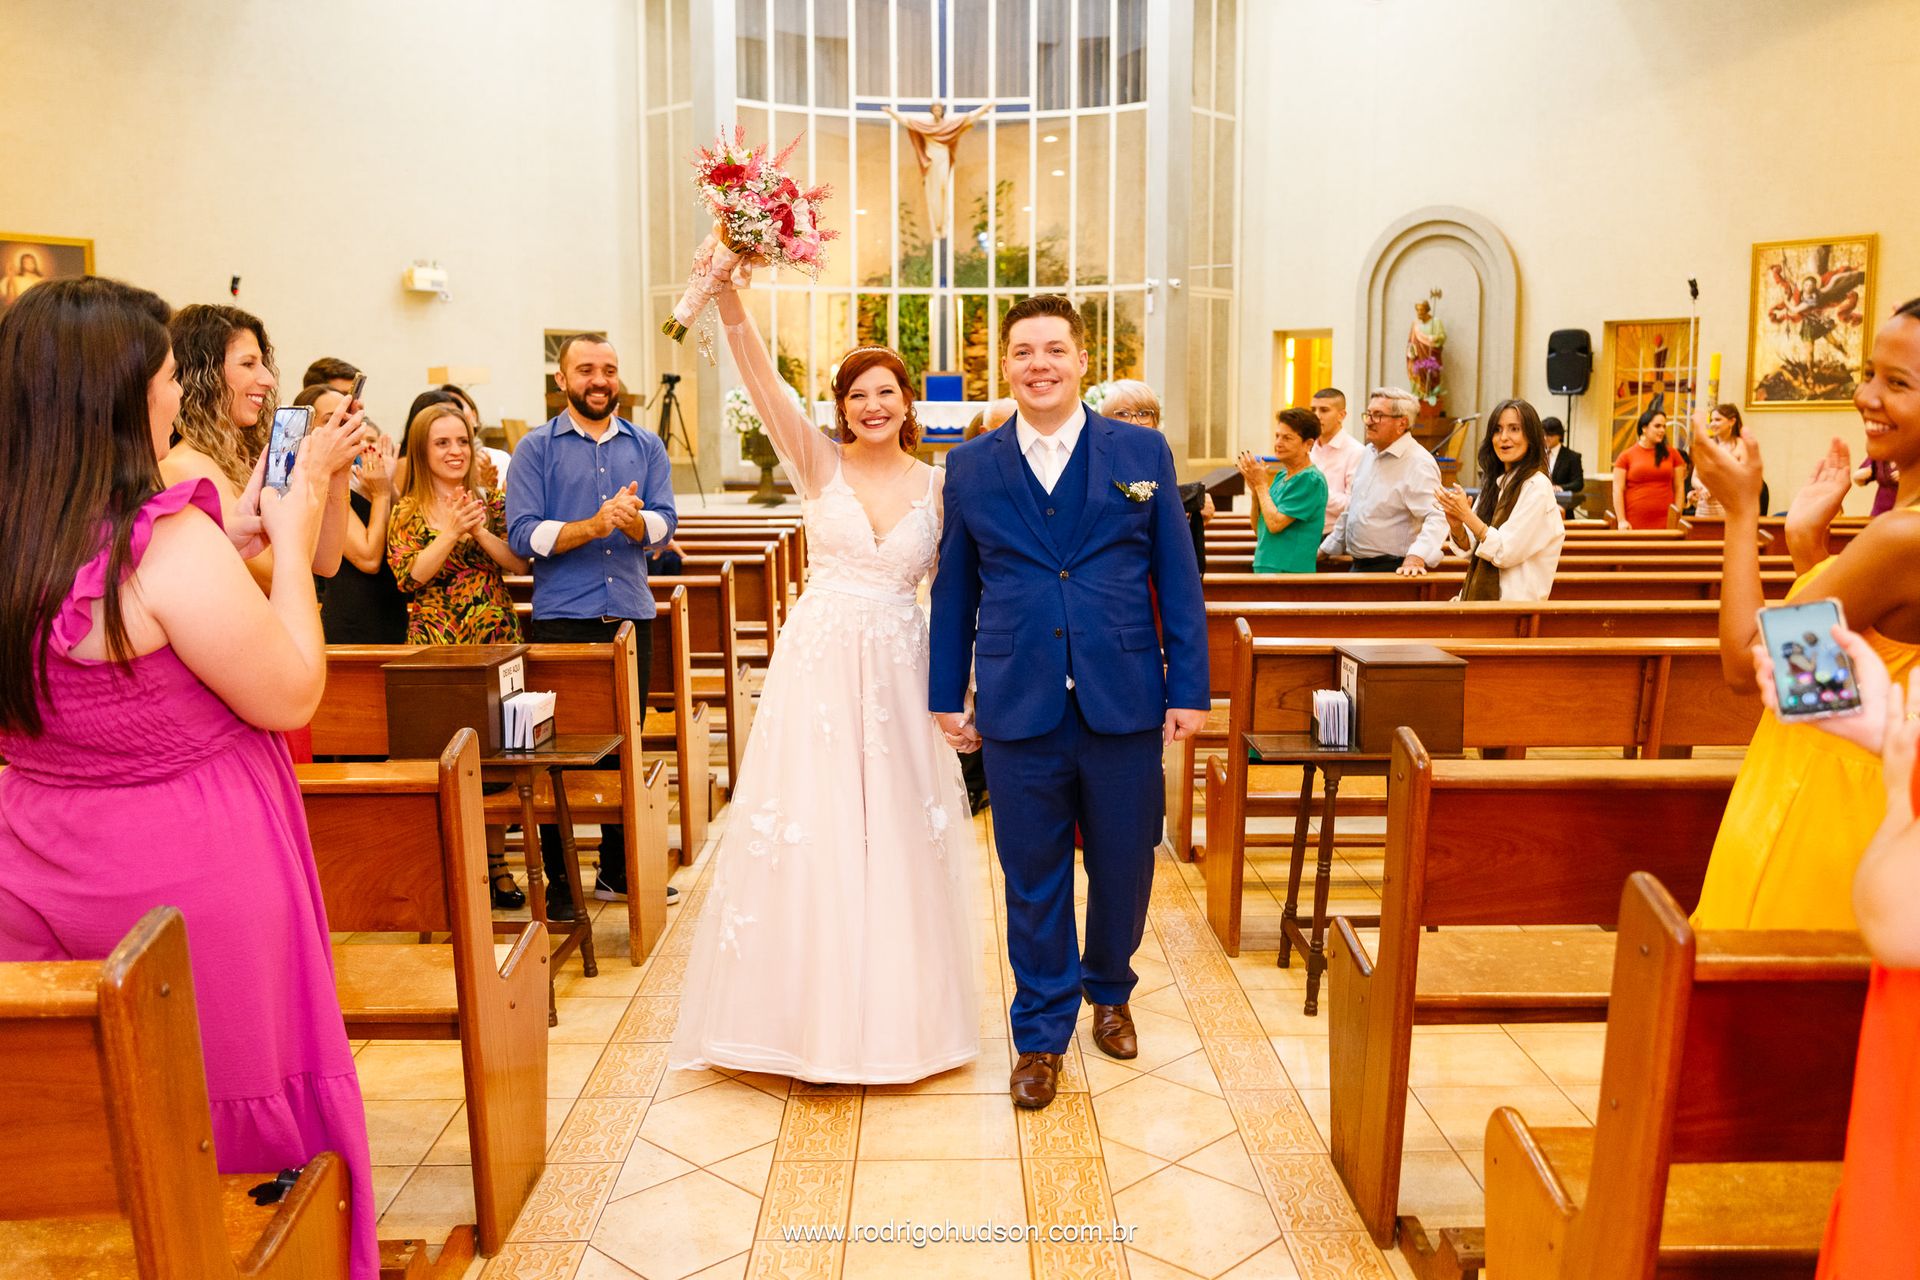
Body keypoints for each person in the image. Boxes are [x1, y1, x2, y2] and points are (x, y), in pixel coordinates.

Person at [0, 277, 377, 1276]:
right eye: (169, 380)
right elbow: (291, 690)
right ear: (123, 399)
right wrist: (292, 545)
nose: (178, 398)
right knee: (212, 1118)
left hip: (34, 858)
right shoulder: (164, 543)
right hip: (188, 876)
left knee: (78, 1128)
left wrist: (246, 522)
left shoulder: (17, 536)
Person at [667, 243, 979, 1084]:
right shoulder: (817, 462)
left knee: (899, 832)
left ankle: (899, 1024)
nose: (872, 405)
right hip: (821, 664)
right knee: (818, 825)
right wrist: (729, 298)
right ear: (839, 406)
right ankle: (799, 1026)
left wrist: (964, 689)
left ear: (908, 401)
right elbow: (761, 380)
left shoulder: (943, 485)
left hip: (901, 665)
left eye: (886, 392)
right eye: (856, 394)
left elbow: (953, 597)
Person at [931, 294, 1209, 1110]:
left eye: (1054, 349)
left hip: (1124, 694)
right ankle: (1041, 1030)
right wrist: (948, 693)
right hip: (1018, 702)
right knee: (1032, 874)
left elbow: (1178, 580)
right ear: (1006, 366)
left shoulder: (1141, 449)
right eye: (1023, 351)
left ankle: (1111, 989)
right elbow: (956, 587)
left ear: (1082, 360)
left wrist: (1188, 686)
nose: (1039, 364)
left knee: (1124, 863)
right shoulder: (973, 465)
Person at [1688, 296, 1920, 931]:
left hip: (1815, 815)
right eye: (1870, 372)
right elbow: (1828, 683)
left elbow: (1746, 668)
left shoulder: (1903, 540)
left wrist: (1740, 514)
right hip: (1848, 795)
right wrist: (1807, 550)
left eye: (1898, 383)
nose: (1868, 396)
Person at [505, 334, 678, 919]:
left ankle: (617, 870)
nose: (599, 380)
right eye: (585, 370)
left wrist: (631, 525)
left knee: (626, 744)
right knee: (557, 755)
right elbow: (524, 536)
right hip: (561, 622)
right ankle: (559, 882)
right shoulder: (536, 449)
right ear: (562, 380)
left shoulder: (646, 444)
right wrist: (594, 524)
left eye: (608, 369)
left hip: (631, 617)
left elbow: (665, 523)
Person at [161, 304, 363, 590]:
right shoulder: (187, 466)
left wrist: (338, 469)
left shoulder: (244, 457)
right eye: (248, 364)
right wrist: (317, 469)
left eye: (263, 363)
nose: (268, 379)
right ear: (204, 373)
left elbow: (325, 561)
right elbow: (274, 575)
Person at [387, 402, 526, 644]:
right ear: (422, 450)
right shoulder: (407, 510)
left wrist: (480, 533)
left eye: (463, 441)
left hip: (496, 635)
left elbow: (520, 565)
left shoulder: (493, 501)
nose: (456, 451)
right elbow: (408, 580)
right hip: (435, 638)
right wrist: (451, 532)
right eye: (442, 443)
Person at [297, 384, 408, 645]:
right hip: (354, 622)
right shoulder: (315, 484)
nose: (347, 426)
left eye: (350, 418)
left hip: (389, 613)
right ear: (308, 430)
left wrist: (387, 485)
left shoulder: (358, 477)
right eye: (332, 419)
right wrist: (380, 495)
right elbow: (367, 557)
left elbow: (403, 536)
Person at [1436, 398, 1565, 601]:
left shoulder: (1536, 486)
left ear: (1531, 436)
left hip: (1513, 610)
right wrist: (1457, 525)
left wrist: (1467, 515)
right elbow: (1475, 548)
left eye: (1514, 429)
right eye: (1497, 430)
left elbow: (1505, 552)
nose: (1503, 437)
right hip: (1481, 602)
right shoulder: (1494, 484)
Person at [1318, 386, 1448, 575]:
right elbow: (1353, 510)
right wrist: (1326, 548)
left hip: (1392, 568)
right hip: (1358, 564)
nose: (1369, 422)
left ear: (1402, 423)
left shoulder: (1418, 462)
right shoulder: (1369, 453)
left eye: (1378, 415)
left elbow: (1437, 515)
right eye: (1368, 414)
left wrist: (1416, 557)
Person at [1103, 379, 1214, 572]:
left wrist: (1190, 512)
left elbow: (1166, 523)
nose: (1135, 421)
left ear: (1155, 421)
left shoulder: (1158, 456)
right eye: (1123, 414)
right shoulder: (1099, 458)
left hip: (1151, 566)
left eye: (1144, 414)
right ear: (1104, 420)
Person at [1236, 407, 1328, 573]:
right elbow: (1259, 529)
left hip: (1290, 571)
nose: (1278, 443)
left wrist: (1261, 486)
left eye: (1287, 438)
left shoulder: (1310, 479)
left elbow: (1275, 524)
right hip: (1266, 566)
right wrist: (1255, 493)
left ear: (1308, 444)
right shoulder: (1281, 477)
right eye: (1277, 436)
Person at [1611, 407, 1684, 530]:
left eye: (1664, 427)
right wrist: (1621, 520)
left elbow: (1679, 487)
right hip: (1635, 518)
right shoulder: (1626, 456)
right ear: (1644, 428)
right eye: (1657, 426)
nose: (1662, 430)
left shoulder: (1672, 454)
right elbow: (1617, 490)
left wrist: (1677, 516)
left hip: (1666, 519)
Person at [1309, 387, 1364, 534]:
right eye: (1313, 409)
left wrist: (1317, 492)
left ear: (1341, 415)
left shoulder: (1356, 452)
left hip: (1335, 536)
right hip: (1303, 532)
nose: (1316, 416)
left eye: (1324, 410)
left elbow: (1353, 504)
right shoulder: (1307, 447)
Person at [441, 381, 511, 490]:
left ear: (474, 416)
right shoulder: (440, 462)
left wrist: (487, 487)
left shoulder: (498, 459)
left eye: (459, 406)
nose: (454, 415)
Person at [1689, 403, 1752, 518]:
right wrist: (1700, 488)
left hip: (1727, 509)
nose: (1713, 424)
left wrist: (1714, 488)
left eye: (1717, 420)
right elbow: (1695, 477)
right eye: (1711, 420)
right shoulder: (1708, 445)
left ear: (1732, 421)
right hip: (1704, 509)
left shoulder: (1741, 446)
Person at [1541, 416, 1585, 513]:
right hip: (1540, 508)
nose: (1545, 438)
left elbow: (1578, 483)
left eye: (1549, 435)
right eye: (1543, 434)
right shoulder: (1537, 455)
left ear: (1559, 435)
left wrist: (1560, 487)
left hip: (1562, 509)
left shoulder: (1572, 457)